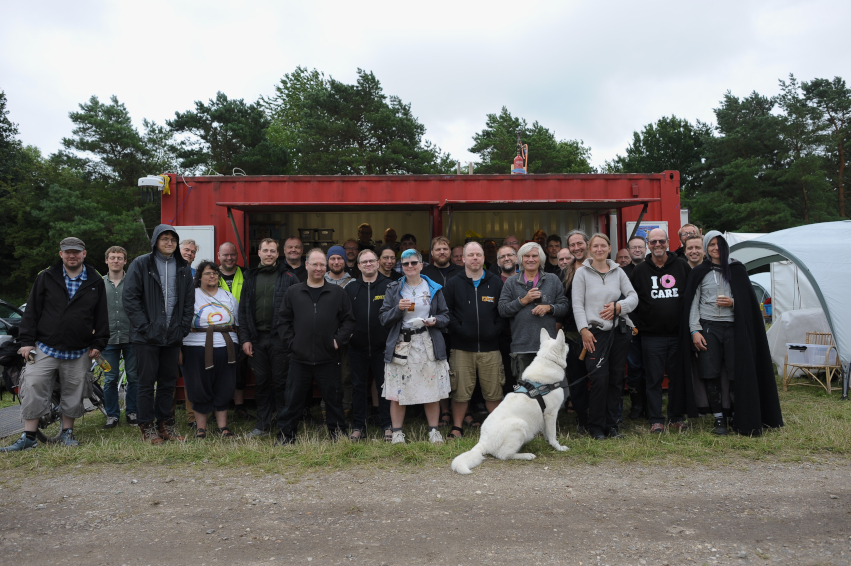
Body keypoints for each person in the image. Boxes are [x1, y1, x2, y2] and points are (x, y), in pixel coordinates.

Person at [2, 237, 109, 452]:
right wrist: (26, 342)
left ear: (83, 254)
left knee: (74, 391)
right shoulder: (46, 277)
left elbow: (101, 317)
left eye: (76, 252)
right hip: (45, 347)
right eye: (67, 252)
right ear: (61, 254)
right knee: (33, 386)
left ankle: (67, 434)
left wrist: (99, 343)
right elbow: (31, 311)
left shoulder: (95, 281)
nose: (72, 255)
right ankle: (29, 436)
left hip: (79, 350)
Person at [675, 231, 783, 436]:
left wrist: (734, 303)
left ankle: (735, 414)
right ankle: (718, 419)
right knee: (711, 373)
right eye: (712, 244)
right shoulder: (700, 272)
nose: (716, 248)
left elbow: (748, 303)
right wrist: (694, 330)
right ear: (707, 247)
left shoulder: (737, 269)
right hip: (708, 328)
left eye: (720, 244)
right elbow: (692, 305)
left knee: (736, 373)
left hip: (733, 328)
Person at [276, 249, 356, 444]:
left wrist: (337, 341)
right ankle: (287, 437)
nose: (319, 268)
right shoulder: (294, 292)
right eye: (315, 264)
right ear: (307, 265)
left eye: (322, 264)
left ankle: (337, 435)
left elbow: (349, 321)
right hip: (299, 358)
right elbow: (283, 321)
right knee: (292, 401)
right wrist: (292, 344)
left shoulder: (337, 292)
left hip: (328, 357)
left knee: (334, 401)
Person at [123, 224, 194, 444]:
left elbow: (188, 302)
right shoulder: (141, 263)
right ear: (155, 241)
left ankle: (166, 426)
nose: (169, 243)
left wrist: (182, 328)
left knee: (167, 382)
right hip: (146, 337)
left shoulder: (183, 267)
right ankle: (147, 427)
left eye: (173, 239)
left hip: (172, 336)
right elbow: (130, 298)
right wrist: (144, 327)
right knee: (145, 383)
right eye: (164, 239)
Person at [379, 249, 451, 445]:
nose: (409, 266)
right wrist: (398, 309)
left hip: (427, 342)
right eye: (405, 264)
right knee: (397, 391)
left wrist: (435, 320)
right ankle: (397, 433)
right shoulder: (394, 288)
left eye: (413, 263)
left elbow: (446, 316)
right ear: (401, 267)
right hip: (401, 343)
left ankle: (434, 431)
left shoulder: (433, 287)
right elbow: (383, 318)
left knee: (432, 390)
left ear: (421, 265)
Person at [572, 233, 637, 440]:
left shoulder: (618, 272)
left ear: (609, 248)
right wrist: (583, 330)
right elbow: (577, 304)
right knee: (599, 379)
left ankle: (612, 425)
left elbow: (633, 297)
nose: (599, 249)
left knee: (616, 379)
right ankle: (596, 427)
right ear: (590, 249)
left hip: (619, 332)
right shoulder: (581, 273)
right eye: (595, 246)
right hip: (594, 333)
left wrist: (620, 306)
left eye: (603, 246)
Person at [628, 228, 690, 433]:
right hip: (651, 336)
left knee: (676, 378)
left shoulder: (681, 266)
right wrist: (639, 324)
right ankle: (656, 419)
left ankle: (676, 417)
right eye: (653, 242)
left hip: (678, 334)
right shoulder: (640, 271)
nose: (657, 245)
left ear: (668, 242)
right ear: (648, 244)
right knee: (653, 380)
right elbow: (631, 300)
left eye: (661, 241)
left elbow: (690, 298)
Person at [443, 242, 506, 439]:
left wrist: (494, 331)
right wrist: (461, 331)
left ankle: (496, 429)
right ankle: (457, 427)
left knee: (493, 391)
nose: (475, 258)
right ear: (463, 259)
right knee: (460, 391)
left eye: (478, 254)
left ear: (483, 258)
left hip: (490, 348)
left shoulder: (495, 282)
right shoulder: (453, 282)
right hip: (462, 347)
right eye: (471, 255)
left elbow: (502, 312)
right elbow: (447, 312)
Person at [238, 238, 297, 438]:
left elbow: (297, 311)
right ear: (260, 253)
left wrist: (290, 338)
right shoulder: (250, 277)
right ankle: (262, 425)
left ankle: (283, 425)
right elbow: (243, 310)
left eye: (273, 250)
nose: (269, 254)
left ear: (278, 253)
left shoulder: (289, 277)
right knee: (261, 382)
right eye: (265, 250)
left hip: (280, 340)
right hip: (256, 340)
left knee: (281, 383)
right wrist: (245, 338)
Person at [182, 261, 239, 439]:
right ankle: (201, 428)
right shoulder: (191, 295)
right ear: (199, 277)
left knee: (224, 384)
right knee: (198, 385)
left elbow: (237, 322)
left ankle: (223, 427)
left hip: (226, 346)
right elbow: (182, 322)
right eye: (208, 273)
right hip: (195, 346)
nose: (212, 276)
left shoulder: (228, 296)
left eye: (215, 273)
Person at [498, 242, 569, 380]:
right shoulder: (511, 282)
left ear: (540, 259)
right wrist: (524, 300)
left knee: (549, 392)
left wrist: (549, 308)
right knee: (526, 394)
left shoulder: (552, 280)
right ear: (520, 259)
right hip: (521, 347)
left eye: (534, 256)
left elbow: (564, 306)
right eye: (526, 256)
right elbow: (502, 310)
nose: (531, 259)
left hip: (549, 350)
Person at [345, 249, 392, 441]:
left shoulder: (390, 286)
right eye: (364, 262)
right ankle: (358, 426)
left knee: (385, 387)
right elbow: (344, 316)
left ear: (378, 263)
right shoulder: (350, 288)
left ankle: (387, 425)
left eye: (371, 261)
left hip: (383, 348)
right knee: (358, 386)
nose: (368, 264)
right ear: (358, 266)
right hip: (357, 347)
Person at [101, 245, 138, 429]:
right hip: (107, 340)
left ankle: (132, 411)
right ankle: (112, 415)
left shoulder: (133, 282)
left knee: (134, 377)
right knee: (110, 378)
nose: (116, 260)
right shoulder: (99, 283)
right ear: (106, 260)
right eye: (112, 257)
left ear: (125, 261)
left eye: (119, 258)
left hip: (131, 337)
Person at [558, 243, 590, 434]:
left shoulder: (597, 270)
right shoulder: (563, 277)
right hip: (572, 333)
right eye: (572, 246)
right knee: (577, 378)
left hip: (596, 332)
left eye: (580, 244)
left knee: (598, 377)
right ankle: (582, 419)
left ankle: (601, 416)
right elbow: (561, 307)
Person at [218, 241, 249, 422]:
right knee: (219, 368)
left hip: (241, 327)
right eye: (225, 255)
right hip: (218, 330)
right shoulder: (211, 274)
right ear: (219, 256)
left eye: (232, 254)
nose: (229, 258)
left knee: (240, 369)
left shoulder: (247, 274)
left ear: (237, 255)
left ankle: (239, 407)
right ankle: (219, 406)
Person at [622, 234, 646, 419]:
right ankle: (637, 406)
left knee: (651, 368)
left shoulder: (653, 269)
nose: (637, 250)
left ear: (645, 249)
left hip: (652, 329)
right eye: (633, 247)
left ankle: (650, 405)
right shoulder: (622, 273)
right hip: (631, 328)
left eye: (640, 247)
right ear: (628, 251)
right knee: (634, 367)